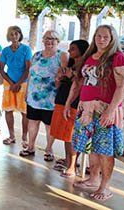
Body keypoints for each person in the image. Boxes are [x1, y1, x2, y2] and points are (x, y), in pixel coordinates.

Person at [68, 25, 124, 201]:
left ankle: (105, 186)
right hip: (87, 109)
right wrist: (76, 102)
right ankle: (93, 179)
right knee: (92, 147)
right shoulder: (90, 56)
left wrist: (110, 111)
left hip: (105, 110)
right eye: (98, 36)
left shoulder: (118, 58)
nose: (101, 40)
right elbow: (84, 81)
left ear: (112, 39)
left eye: (106, 37)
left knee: (105, 150)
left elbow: (122, 86)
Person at [20, 30, 68, 158]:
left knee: (49, 125)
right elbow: (31, 74)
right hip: (34, 96)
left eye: (52, 39)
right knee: (33, 122)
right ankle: (30, 147)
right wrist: (27, 92)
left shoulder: (62, 55)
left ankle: (49, 149)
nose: (49, 41)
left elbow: (65, 76)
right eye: (46, 38)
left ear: (58, 41)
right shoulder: (36, 55)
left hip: (51, 97)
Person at [50, 39, 89, 178]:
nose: (69, 51)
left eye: (73, 49)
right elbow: (58, 86)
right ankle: (68, 162)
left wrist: (71, 76)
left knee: (72, 136)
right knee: (65, 136)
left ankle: (72, 166)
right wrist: (59, 78)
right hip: (61, 101)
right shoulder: (68, 66)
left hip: (75, 104)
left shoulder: (85, 67)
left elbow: (81, 86)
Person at [0, 26, 32, 146]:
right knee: (8, 109)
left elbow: (28, 69)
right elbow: (1, 69)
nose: (14, 36)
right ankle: (11, 135)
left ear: (20, 35)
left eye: (16, 34)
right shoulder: (6, 50)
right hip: (9, 83)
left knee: (24, 111)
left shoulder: (26, 49)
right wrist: (11, 83)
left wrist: (17, 83)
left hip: (23, 83)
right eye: (12, 34)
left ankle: (24, 137)